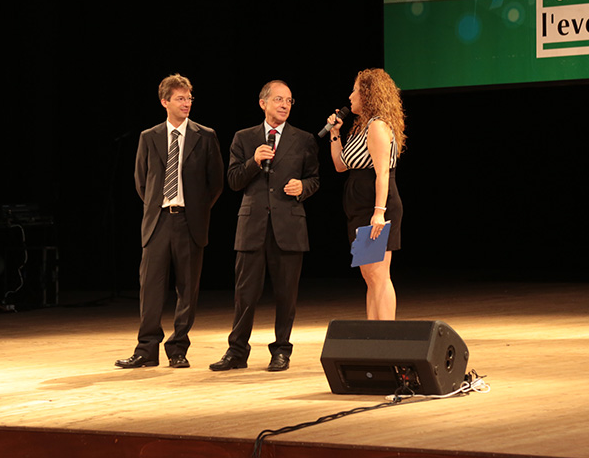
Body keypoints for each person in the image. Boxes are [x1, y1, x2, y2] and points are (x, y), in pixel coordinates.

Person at [210, 80, 320, 372]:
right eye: (279, 99)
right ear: (263, 103)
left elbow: (314, 179)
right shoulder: (243, 137)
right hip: (253, 226)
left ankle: (281, 350)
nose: (285, 105)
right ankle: (237, 351)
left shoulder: (303, 139)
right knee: (245, 295)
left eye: (289, 100)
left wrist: (303, 187)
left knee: (286, 295)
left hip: (289, 227)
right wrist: (254, 162)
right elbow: (233, 181)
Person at [115, 74, 224, 369]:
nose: (186, 103)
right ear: (165, 102)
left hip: (189, 221)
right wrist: (159, 206)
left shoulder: (205, 136)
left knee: (187, 289)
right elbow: (141, 181)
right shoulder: (149, 137)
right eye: (180, 98)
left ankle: (178, 349)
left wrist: (196, 210)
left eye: (189, 98)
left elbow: (215, 183)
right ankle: (146, 349)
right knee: (150, 288)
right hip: (158, 221)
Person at [326, 68, 405, 320]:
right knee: (369, 275)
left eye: (355, 90)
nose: (350, 96)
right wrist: (335, 133)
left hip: (376, 207)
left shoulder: (378, 126)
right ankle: (372, 334)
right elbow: (340, 165)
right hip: (359, 208)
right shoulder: (361, 128)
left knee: (379, 275)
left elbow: (383, 173)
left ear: (368, 94)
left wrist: (379, 213)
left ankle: (387, 337)